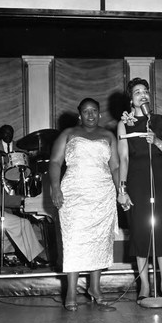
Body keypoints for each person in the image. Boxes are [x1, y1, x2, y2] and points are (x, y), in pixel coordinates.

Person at [49, 98, 119, 311]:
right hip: (75, 193)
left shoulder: (108, 135)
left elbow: (115, 167)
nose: (90, 115)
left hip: (103, 193)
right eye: (86, 111)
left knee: (99, 240)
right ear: (79, 115)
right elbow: (54, 162)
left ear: (99, 114)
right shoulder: (68, 133)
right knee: (74, 240)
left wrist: (122, 190)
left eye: (94, 111)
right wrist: (55, 187)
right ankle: (71, 291)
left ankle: (95, 288)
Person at [117, 77, 162, 304]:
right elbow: (123, 158)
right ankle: (144, 285)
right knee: (141, 233)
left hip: (160, 181)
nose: (142, 95)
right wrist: (122, 190)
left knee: (161, 231)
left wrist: (158, 142)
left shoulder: (161, 121)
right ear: (131, 100)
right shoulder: (124, 124)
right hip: (136, 182)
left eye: (145, 91)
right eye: (137, 92)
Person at [0, 150, 49, 269]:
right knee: (23, 223)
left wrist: (18, 205)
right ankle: (33, 258)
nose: (6, 166)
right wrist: (21, 200)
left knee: (13, 224)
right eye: (5, 163)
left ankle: (7, 257)